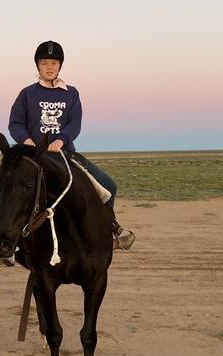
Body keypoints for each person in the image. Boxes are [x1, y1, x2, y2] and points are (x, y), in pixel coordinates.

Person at [8, 40, 135, 251]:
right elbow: (15, 123)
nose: (49, 67)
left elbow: (75, 123)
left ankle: (109, 228)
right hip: (33, 155)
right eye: (45, 62)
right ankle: (8, 243)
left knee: (108, 186)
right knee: (4, 188)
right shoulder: (27, 94)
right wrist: (29, 143)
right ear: (37, 66)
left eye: (54, 63)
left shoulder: (71, 93)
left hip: (64, 153)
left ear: (60, 66)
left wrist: (60, 140)